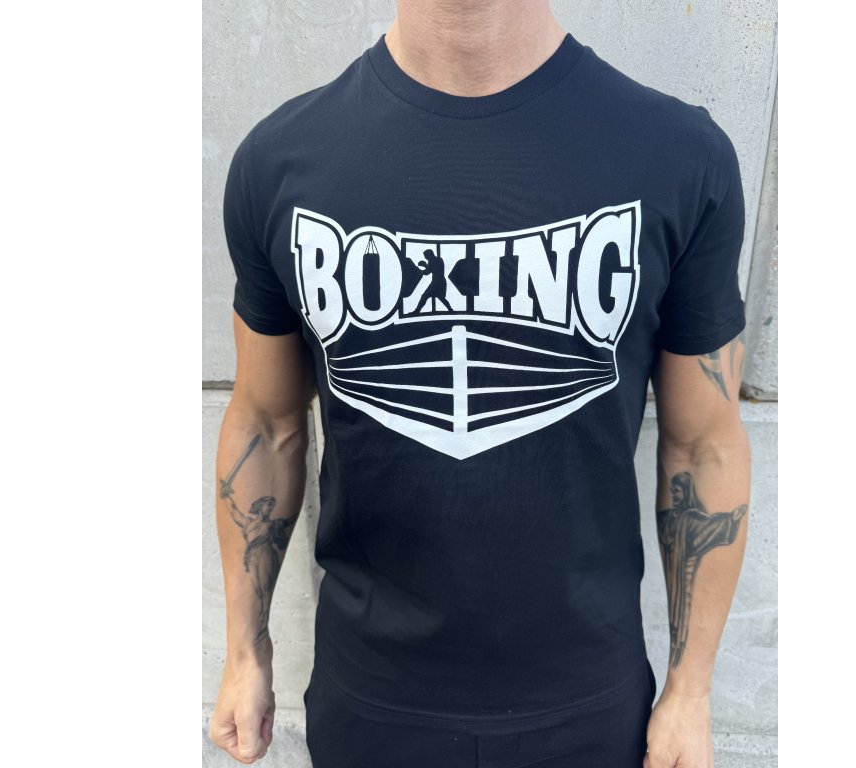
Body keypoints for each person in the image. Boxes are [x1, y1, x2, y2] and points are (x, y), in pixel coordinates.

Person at [207, 2, 752, 767]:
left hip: (589, 706)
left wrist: (692, 691)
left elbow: (704, 445)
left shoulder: (677, 155)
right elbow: (266, 425)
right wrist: (244, 650)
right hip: (370, 703)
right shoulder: (282, 161)